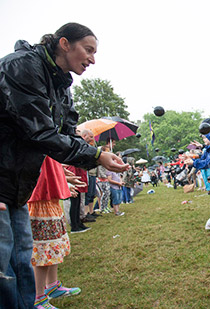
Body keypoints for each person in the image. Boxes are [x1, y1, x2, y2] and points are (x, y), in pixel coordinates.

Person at [0, 23, 129, 309]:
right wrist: (96, 156)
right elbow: (40, 132)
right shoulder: (21, 67)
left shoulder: (62, 85)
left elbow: (67, 134)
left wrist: (97, 154)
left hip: (18, 187)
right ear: (64, 43)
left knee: (22, 264)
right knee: (3, 274)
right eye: (88, 50)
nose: (93, 59)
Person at [27, 157, 81, 308]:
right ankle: (38, 297)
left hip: (50, 198)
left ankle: (52, 285)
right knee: (44, 250)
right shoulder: (37, 137)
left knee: (54, 246)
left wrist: (63, 182)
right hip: (40, 198)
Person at [185, 127, 210, 203]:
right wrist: (192, 160)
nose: (203, 140)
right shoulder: (208, 149)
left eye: (205, 138)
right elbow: (202, 159)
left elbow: (208, 163)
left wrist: (193, 162)